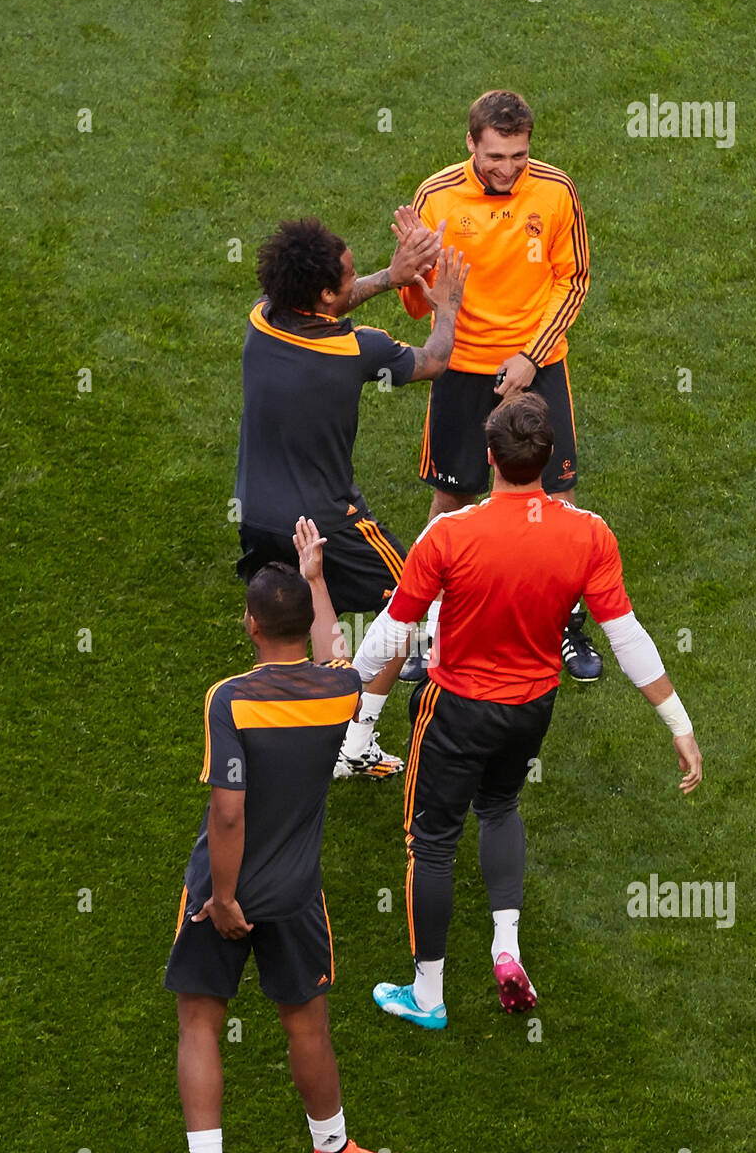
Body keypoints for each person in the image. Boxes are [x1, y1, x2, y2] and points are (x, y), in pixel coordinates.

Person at [345, 393, 702, 1030]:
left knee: (430, 845)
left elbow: (393, 633)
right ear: (548, 459)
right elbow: (627, 639)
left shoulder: (450, 535)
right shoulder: (589, 534)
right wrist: (679, 723)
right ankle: (505, 945)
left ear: (490, 459)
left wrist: (344, 689)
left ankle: (428, 994)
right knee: (501, 806)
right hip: (532, 708)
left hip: (454, 708)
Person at [160, 519, 407, 1153]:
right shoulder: (338, 693)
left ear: (250, 624)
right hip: (297, 891)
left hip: (223, 889)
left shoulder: (229, 698)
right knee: (307, 1025)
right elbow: (337, 654)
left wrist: (226, 898)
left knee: (201, 1023)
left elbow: (228, 812)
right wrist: (318, 576)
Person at [234, 216, 469, 779]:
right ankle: (352, 735)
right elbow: (435, 360)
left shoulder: (261, 319)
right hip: (329, 522)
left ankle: (289, 728)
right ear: (322, 293)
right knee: (416, 599)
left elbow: (329, 305)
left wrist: (392, 276)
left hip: (257, 514)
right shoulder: (354, 349)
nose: (354, 277)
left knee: (297, 617)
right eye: (348, 274)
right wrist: (449, 305)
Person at [396, 89, 601, 683]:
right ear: (470, 144)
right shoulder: (435, 197)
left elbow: (575, 278)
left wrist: (531, 357)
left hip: (538, 368)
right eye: (495, 156)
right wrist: (408, 269)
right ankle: (427, 628)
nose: (509, 168)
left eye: (519, 155)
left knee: (556, 502)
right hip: (460, 370)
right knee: (450, 502)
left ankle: (565, 627)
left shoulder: (556, 191)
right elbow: (417, 305)